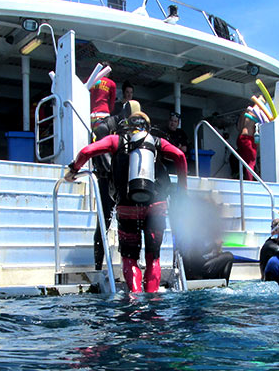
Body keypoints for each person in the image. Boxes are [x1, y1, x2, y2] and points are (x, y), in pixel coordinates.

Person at [64, 111, 187, 293]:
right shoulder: (156, 142)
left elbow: (86, 151)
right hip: (156, 205)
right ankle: (152, 299)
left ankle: (134, 298)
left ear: (127, 125)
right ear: (147, 127)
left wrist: (74, 170)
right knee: (153, 258)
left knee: (130, 258)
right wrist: (183, 189)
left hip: (127, 206)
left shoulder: (116, 140)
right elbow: (180, 156)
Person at [88, 100, 141, 270]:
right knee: (104, 220)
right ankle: (98, 265)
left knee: (131, 222)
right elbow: (98, 141)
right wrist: (112, 172)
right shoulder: (108, 125)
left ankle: (133, 261)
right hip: (108, 180)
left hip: (126, 181)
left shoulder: (135, 128)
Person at [175, 197, 234, 284]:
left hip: (195, 266)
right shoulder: (195, 229)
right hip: (198, 268)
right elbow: (196, 253)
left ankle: (221, 282)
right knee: (229, 256)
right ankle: (224, 284)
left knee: (224, 256)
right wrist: (214, 244)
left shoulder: (192, 226)